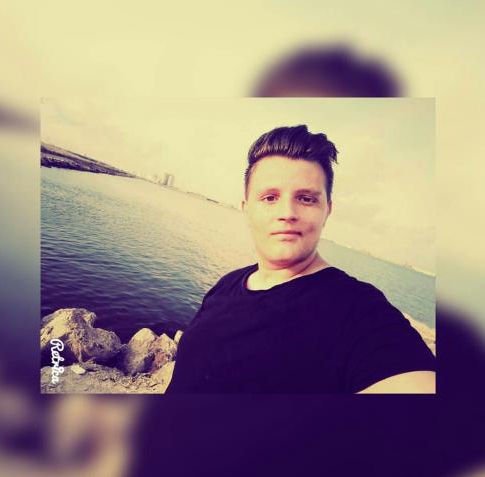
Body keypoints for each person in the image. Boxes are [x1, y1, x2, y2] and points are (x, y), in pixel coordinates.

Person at [166, 125, 436, 394]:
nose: (287, 212)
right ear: (246, 209)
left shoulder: (358, 310)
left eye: (306, 199)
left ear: (327, 211)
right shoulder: (227, 284)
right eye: (270, 198)